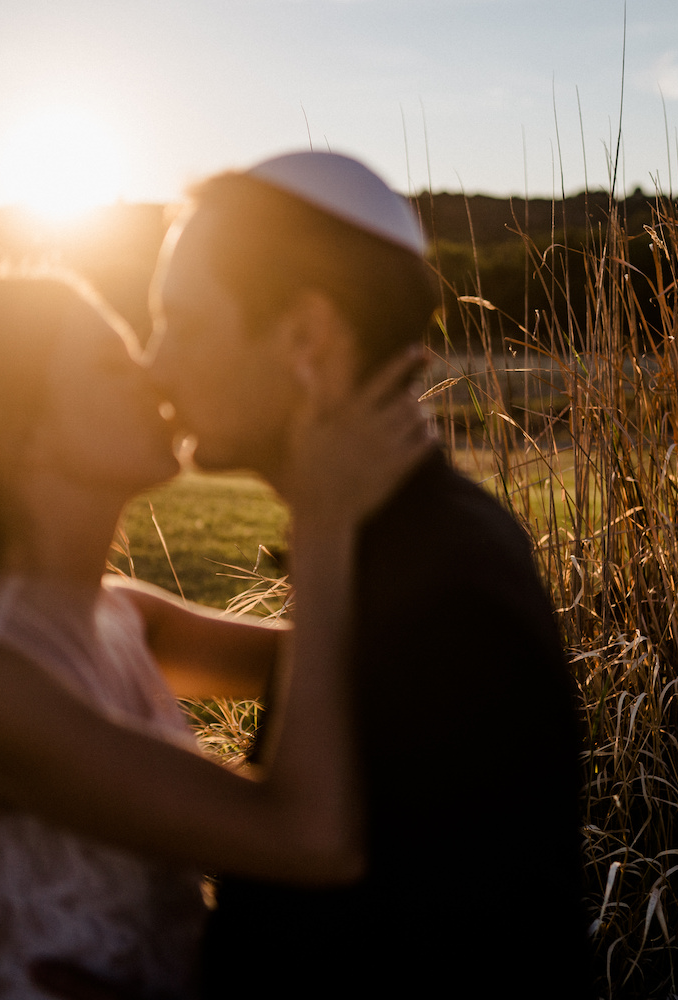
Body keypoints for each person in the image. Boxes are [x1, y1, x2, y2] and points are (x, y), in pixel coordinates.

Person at [0, 272, 433, 1000]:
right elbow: (311, 839)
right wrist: (322, 521)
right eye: (112, 364)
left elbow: (347, 667)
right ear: (21, 434)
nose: (154, 376)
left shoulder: (123, 616)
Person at [147, 151, 588, 997]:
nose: (155, 363)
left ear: (307, 338)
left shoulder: (444, 599)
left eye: (182, 323)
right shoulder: (402, 542)